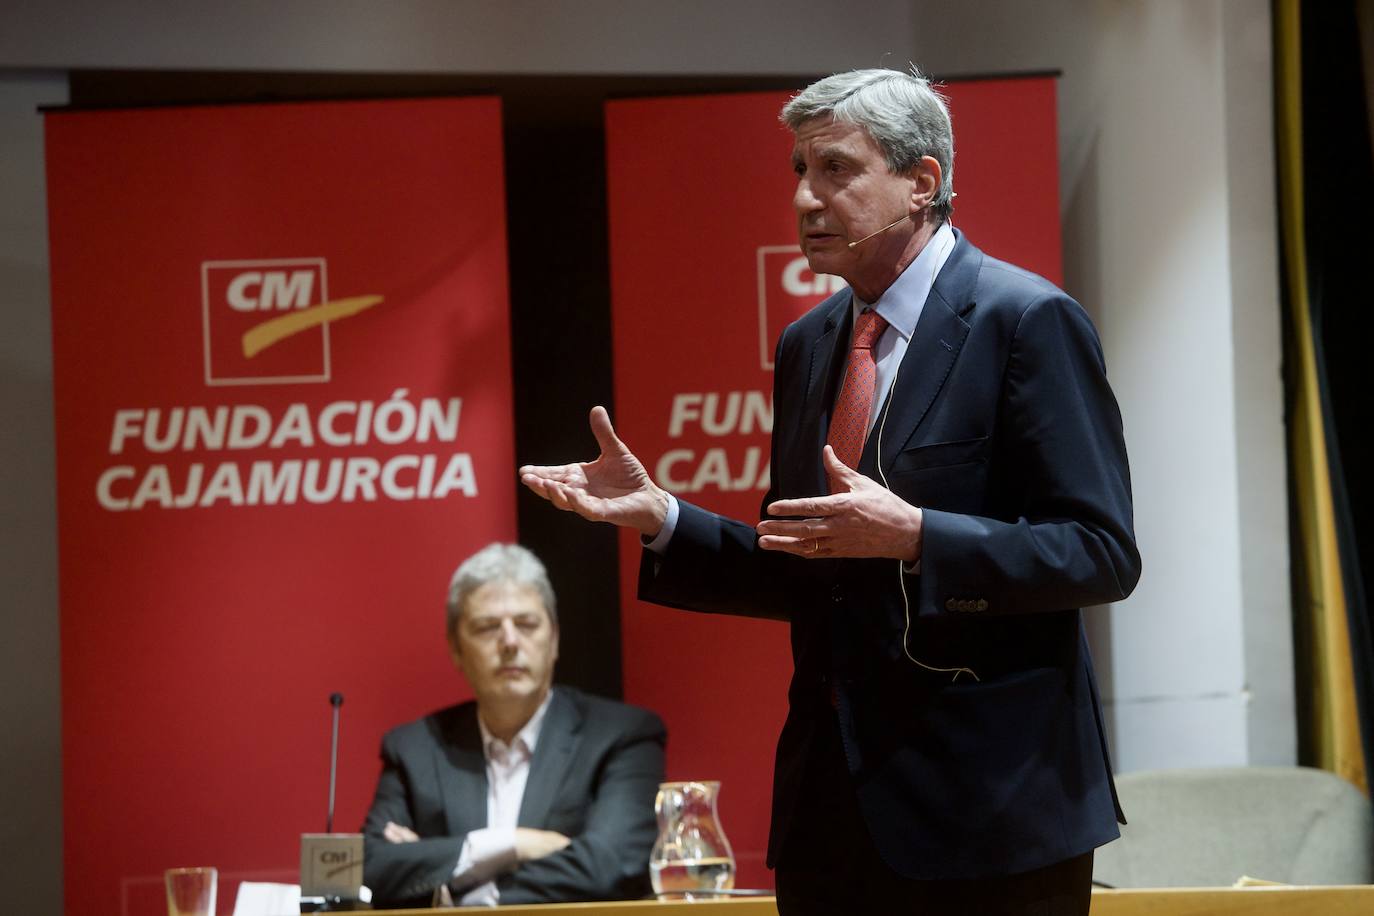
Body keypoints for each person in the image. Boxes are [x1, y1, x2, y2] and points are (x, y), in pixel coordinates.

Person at [519, 68, 1141, 915]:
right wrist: (661, 516)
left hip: (991, 816)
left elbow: (1100, 553)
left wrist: (922, 534)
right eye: (798, 172)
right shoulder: (811, 344)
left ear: (922, 182)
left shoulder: (1024, 321)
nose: (807, 198)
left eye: (836, 170)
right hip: (832, 814)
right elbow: (817, 563)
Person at [361, 543, 666, 908]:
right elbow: (367, 868)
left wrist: (452, 885)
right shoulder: (415, 748)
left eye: (526, 624)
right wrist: (511, 843)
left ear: (553, 640)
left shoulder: (621, 735)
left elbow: (613, 865)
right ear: (456, 649)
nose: (509, 642)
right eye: (487, 627)